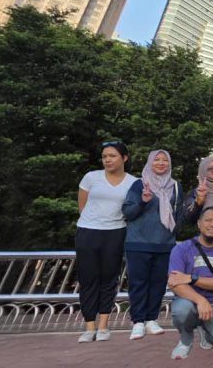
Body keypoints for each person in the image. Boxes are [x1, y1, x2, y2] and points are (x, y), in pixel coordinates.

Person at [76, 140, 137, 343]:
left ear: (124, 158)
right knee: (88, 278)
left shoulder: (133, 182)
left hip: (115, 233)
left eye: (112, 156)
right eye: (104, 156)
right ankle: (89, 327)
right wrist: (93, 222)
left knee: (109, 279)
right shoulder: (91, 177)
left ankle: (103, 326)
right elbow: (82, 205)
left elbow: (132, 209)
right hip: (87, 232)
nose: (107, 160)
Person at [122, 149, 186, 340]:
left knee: (158, 284)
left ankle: (151, 319)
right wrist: (143, 202)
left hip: (165, 244)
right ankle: (138, 322)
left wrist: (173, 234)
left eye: (165, 160)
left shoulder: (175, 186)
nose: (161, 163)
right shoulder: (140, 184)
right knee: (138, 283)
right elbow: (127, 213)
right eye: (156, 159)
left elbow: (179, 214)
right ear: (150, 162)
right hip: (138, 243)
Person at [166, 207, 213, 359]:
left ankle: (208, 332)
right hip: (189, 301)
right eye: (208, 220)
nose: (212, 224)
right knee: (181, 310)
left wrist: (191, 278)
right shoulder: (181, 249)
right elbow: (175, 283)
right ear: (199, 223)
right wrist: (200, 300)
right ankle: (185, 340)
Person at [182, 155, 213, 223]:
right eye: (210, 169)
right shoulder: (197, 192)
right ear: (203, 171)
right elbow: (188, 218)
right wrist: (198, 203)